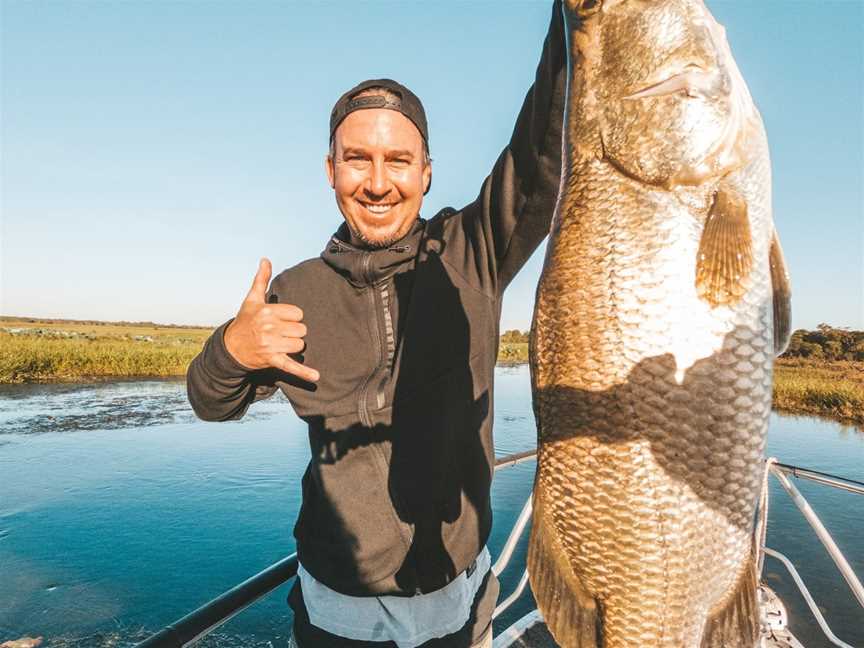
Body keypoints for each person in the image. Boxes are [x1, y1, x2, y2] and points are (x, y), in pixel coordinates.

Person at [186, 3, 566, 646]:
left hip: (458, 600)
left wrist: (575, 19)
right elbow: (209, 402)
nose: (378, 182)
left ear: (426, 172)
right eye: (358, 159)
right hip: (338, 612)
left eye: (399, 160)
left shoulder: (471, 251)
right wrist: (231, 349)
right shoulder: (296, 290)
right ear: (330, 169)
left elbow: (540, 155)